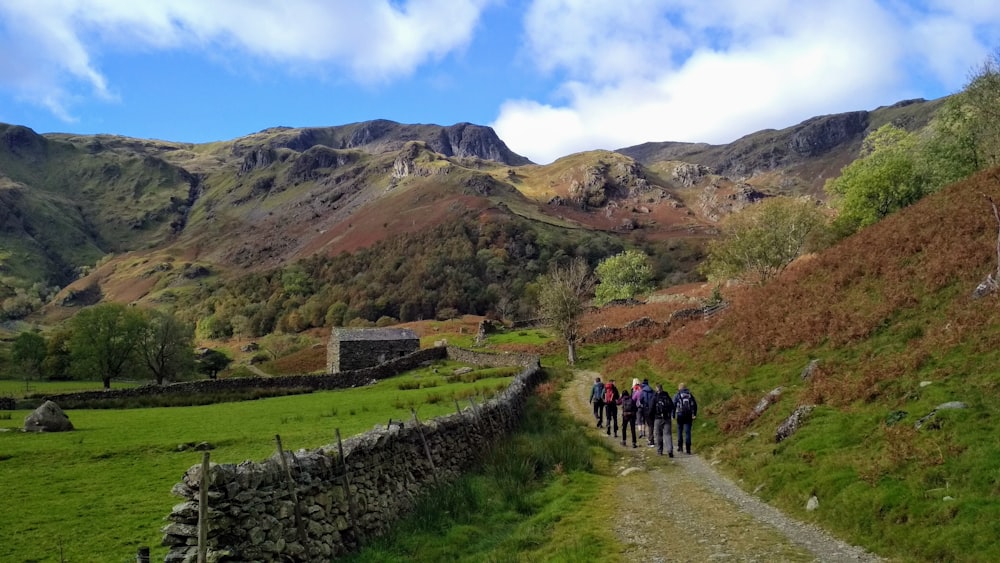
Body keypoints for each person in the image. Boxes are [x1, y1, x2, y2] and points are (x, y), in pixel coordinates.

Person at [650, 383, 675, 457]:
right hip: (667, 418)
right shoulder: (667, 396)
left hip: (658, 418)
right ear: (662, 388)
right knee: (668, 434)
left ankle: (660, 451)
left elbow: (651, 408)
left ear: (656, 389)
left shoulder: (655, 397)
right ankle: (670, 450)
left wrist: (651, 417)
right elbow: (672, 406)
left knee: (658, 435)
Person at [675, 382, 698, 454]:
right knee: (688, 432)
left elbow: (673, 404)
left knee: (680, 431)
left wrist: (673, 414)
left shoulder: (677, 395)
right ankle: (688, 449)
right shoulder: (690, 395)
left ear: (679, 388)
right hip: (688, 415)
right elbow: (695, 405)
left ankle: (680, 447)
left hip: (680, 415)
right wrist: (694, 414)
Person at [640, 378, 656, 447]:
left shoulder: (643, 391)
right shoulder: (652, 390)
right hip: (652, 409)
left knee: (648, 424)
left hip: (645, 410)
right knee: (651, 425)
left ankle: (650, 440)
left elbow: (641, 400)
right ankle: (651, 438)